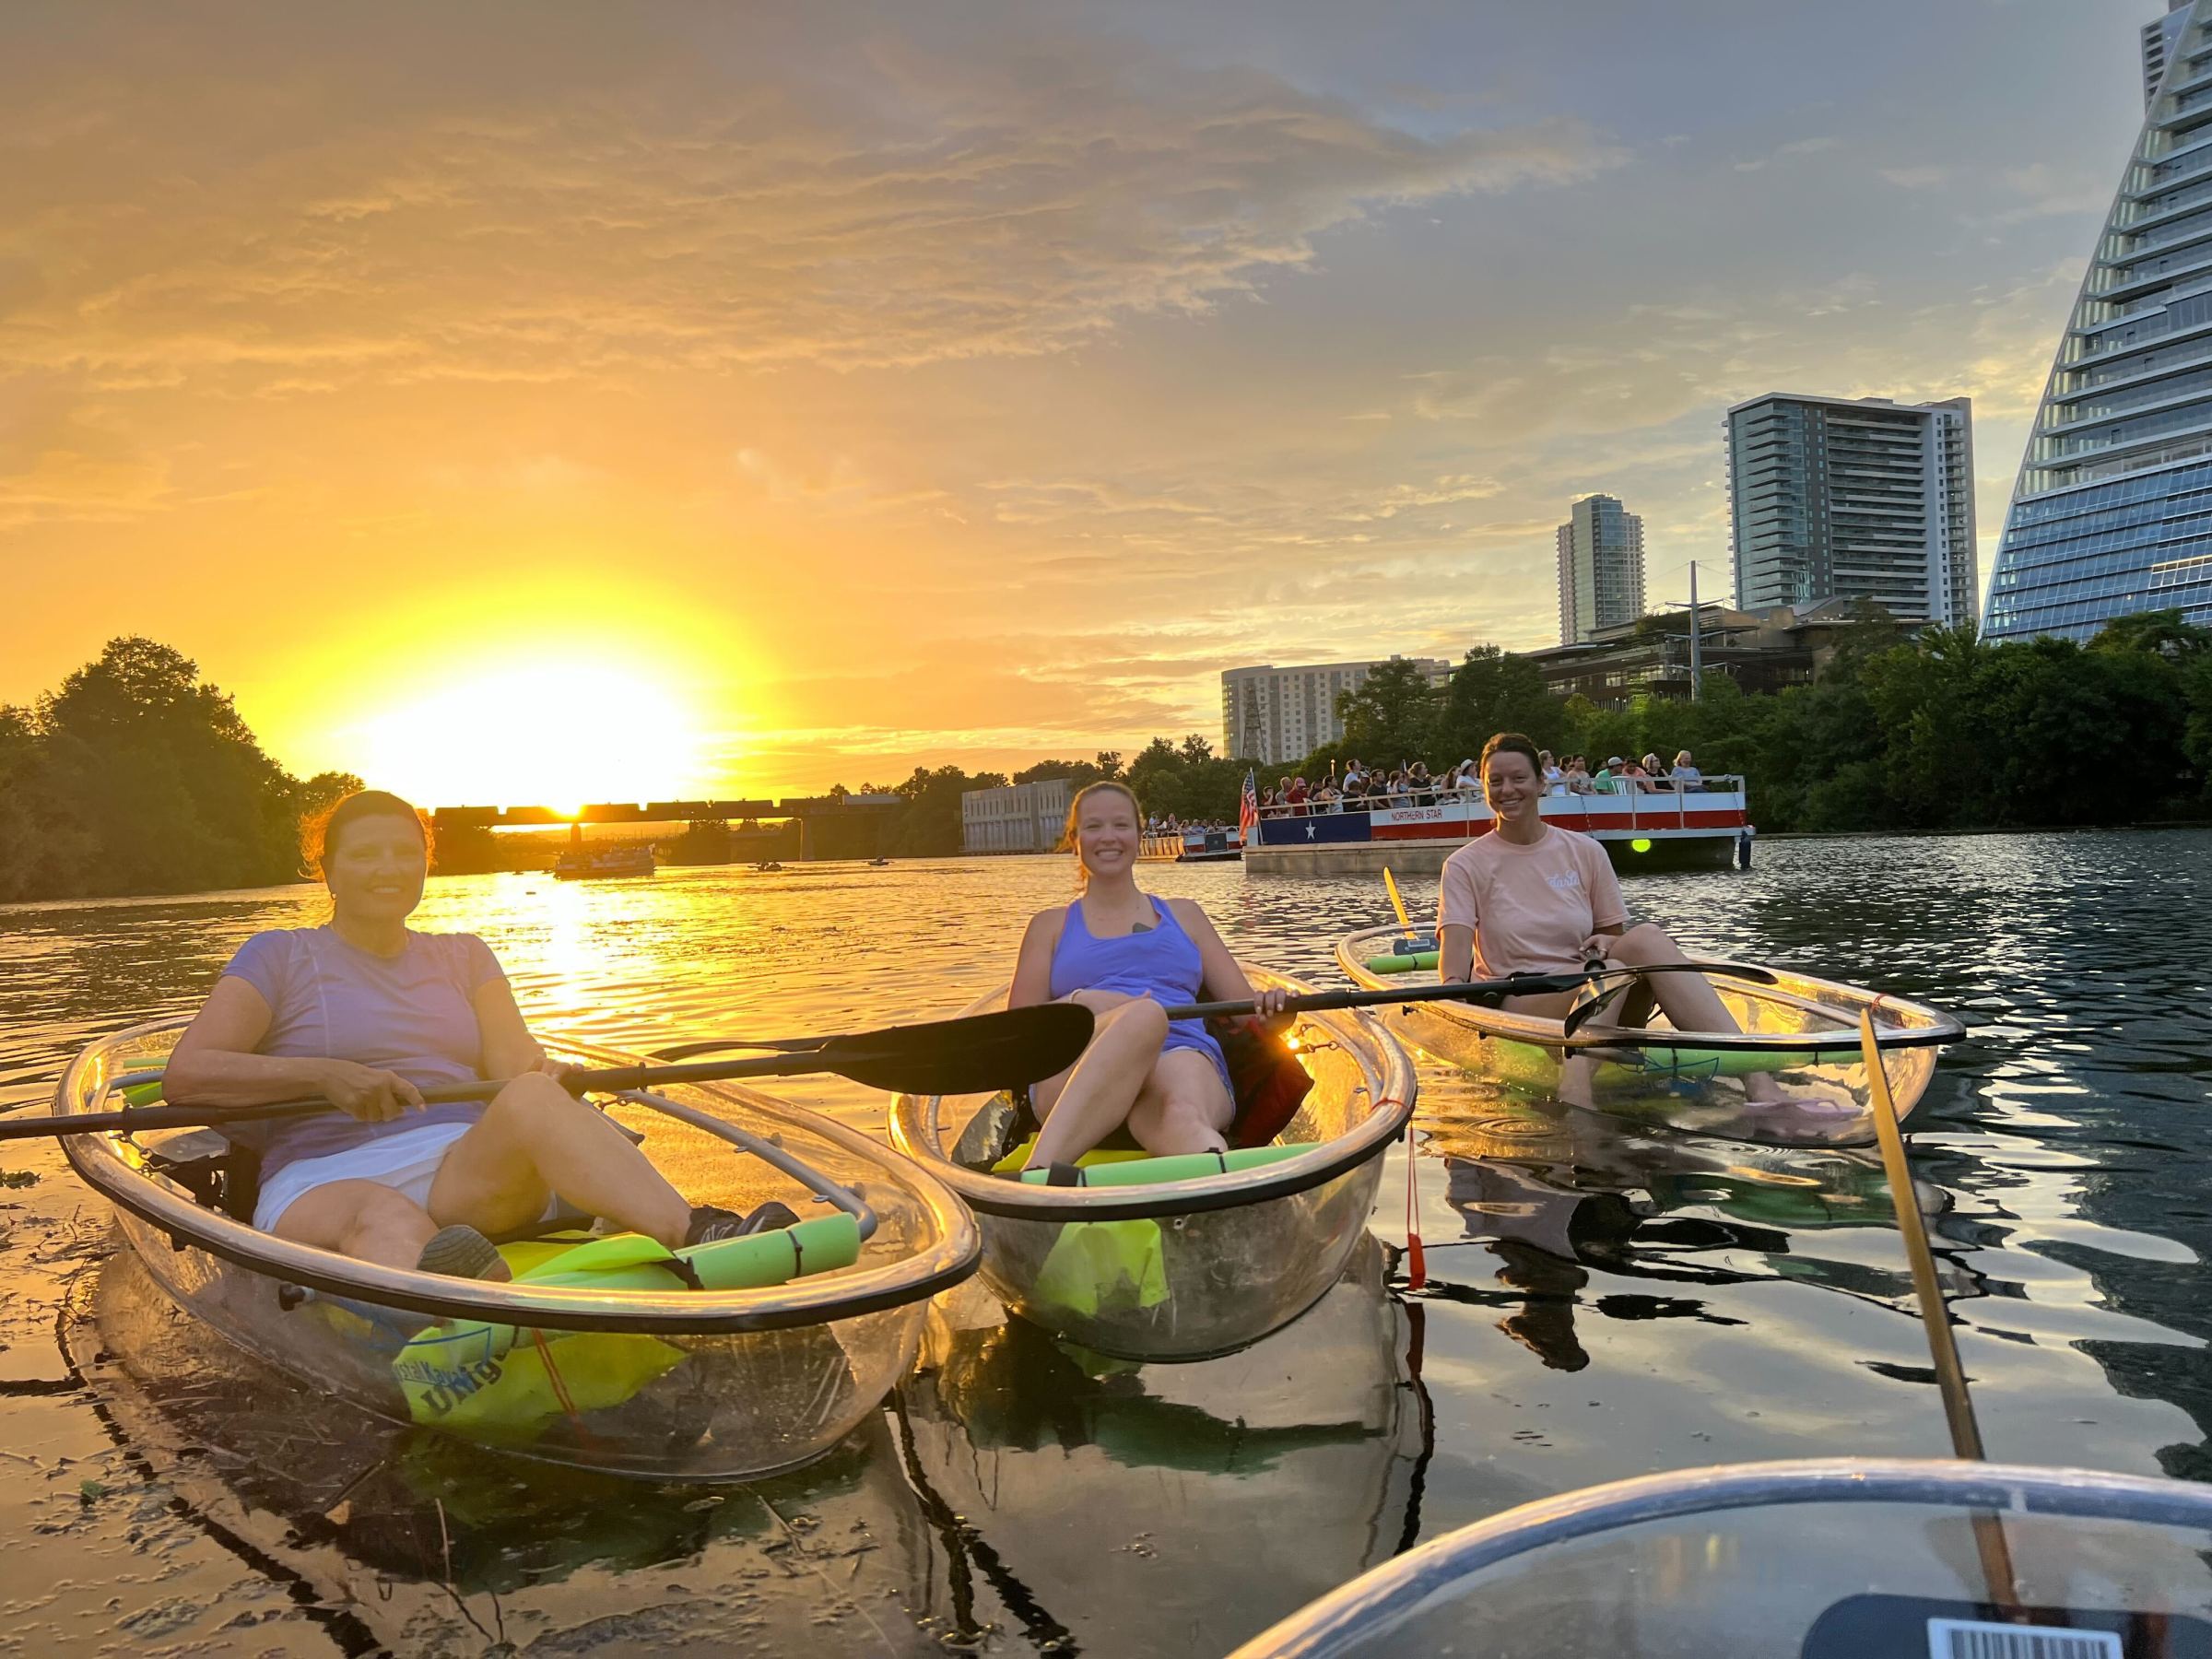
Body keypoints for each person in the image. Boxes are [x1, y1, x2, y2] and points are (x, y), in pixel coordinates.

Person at [162, 790, 782, 1280]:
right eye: (365, 855)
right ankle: (454, 1319)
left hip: (464, 1169)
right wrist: (325, 1074)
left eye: (407, 853)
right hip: (324, 1176)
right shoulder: (277, 956)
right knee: (383, 1215)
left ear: (427, 862)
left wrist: (550, 1081)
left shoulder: (466, 956)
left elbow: (517, 1069)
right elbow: (187, 1075)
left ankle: (700, 1239)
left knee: (535, 1097)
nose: (389, 869)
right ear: (327, 870)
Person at [1436, 735, 1841, 1130]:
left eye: (1518, 778)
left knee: (1643, 938)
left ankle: (1759, 1084)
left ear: (1542, 783)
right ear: (1484, 788)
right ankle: (1577, 1093)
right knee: (1610, 973)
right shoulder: (1464, 865)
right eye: (1495, 781)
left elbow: (1611, 938)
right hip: (1523, 999)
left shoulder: (1586, 851)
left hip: (1600, 984)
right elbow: (1452, 971)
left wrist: (1608, 945)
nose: (1507, 790)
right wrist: (1453, 1016)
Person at [1009, 782, 1287, 1166]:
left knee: (1182, 1109)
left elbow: (1249, 1015)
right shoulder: (1049, 926)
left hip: (1180, 1053)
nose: (1108, 837)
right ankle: (1039, 1173)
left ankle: (1213, 1178)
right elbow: (1018, 1034)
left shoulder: (1186, 915)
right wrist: (1082, 1002)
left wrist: (1278, 1015)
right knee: (1144, 1016)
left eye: (1121, 825)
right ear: (1074, 839)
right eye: (1094, 826)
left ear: (1140, 836)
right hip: (1078, 1063)